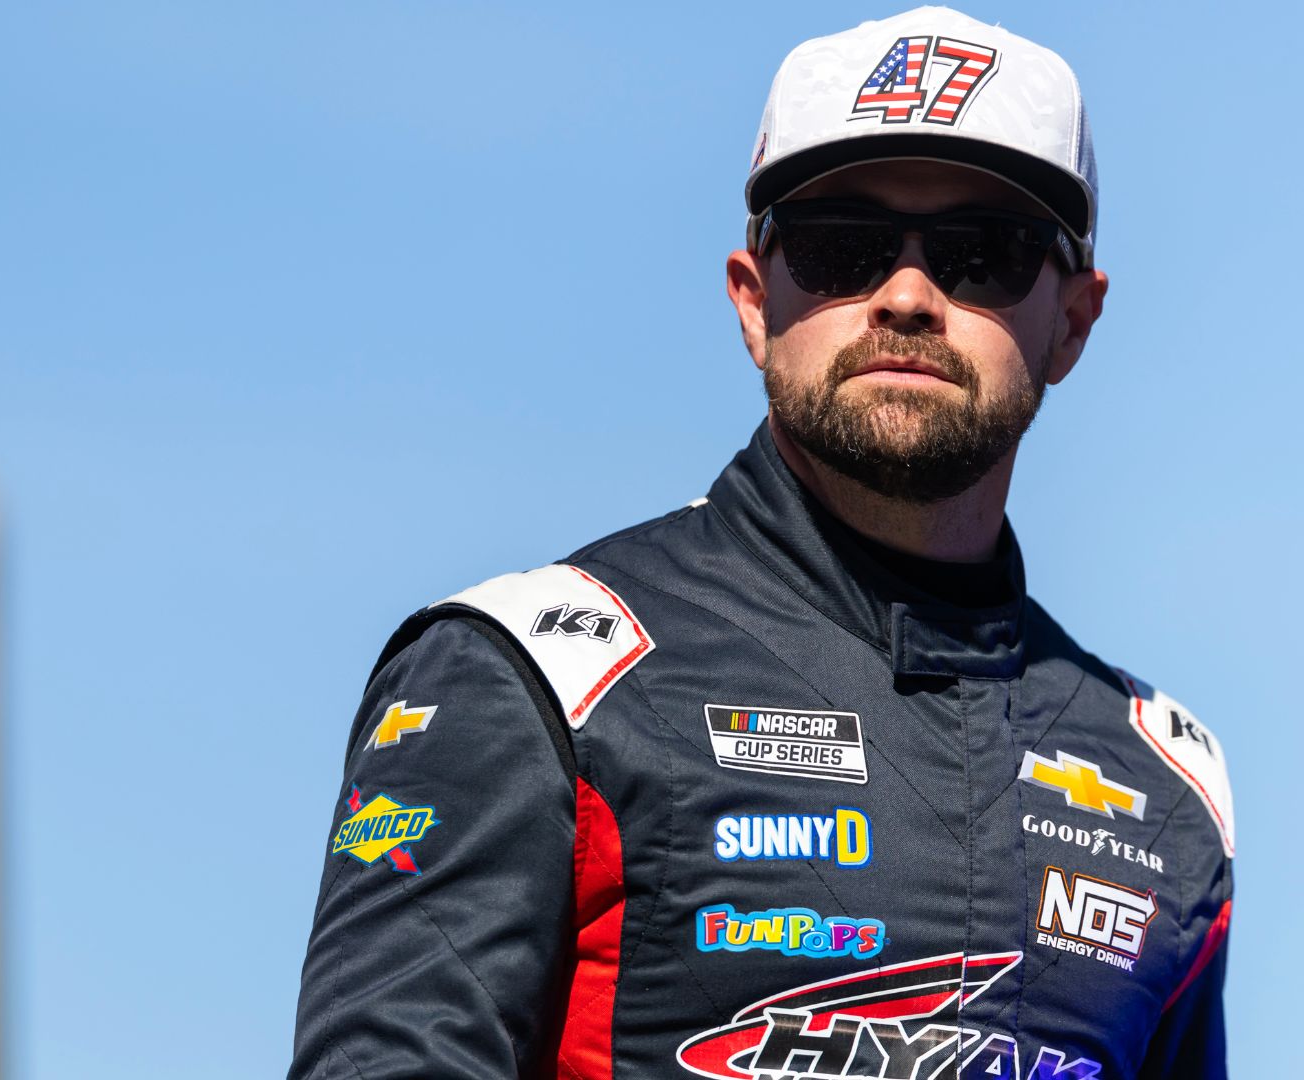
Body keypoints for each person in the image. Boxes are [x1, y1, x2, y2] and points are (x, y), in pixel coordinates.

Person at [291, 7, 1234, 1078]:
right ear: (753, 300)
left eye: (984, 253)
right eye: (843, 246)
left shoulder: (1166, 782)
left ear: (1072, 320)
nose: (909, 296)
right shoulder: (538, 672)